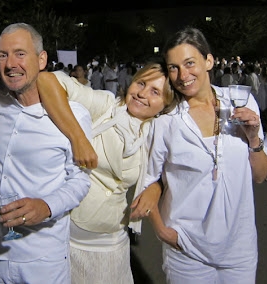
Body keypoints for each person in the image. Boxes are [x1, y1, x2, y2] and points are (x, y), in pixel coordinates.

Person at [144, 27, 267, 284]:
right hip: (187, 251)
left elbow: (260, 176)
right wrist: (164, 232)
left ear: (209, 61)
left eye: (190, 63)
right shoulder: (166, 121)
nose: (183, 75)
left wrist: (254, 137)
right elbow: (148, 179)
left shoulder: (241, 104)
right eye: (173, 68)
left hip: (239, 249)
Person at [35, 61, 178, 283]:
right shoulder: (106, 106)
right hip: (70, 235)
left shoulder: (156, 133)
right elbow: (46, 80)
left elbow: (163, 172)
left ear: (165, 104)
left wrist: (155, 189)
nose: (142, 94)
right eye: (141, 83)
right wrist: (79, 139)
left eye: (155, 92)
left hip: (113, 239)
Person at [0, 23, 91, 284]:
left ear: (42, 59)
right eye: (2, 55)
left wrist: (46, 206)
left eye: (20, 53)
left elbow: (81, 180)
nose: (10, 63)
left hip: (42, 255)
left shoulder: (74, 116)